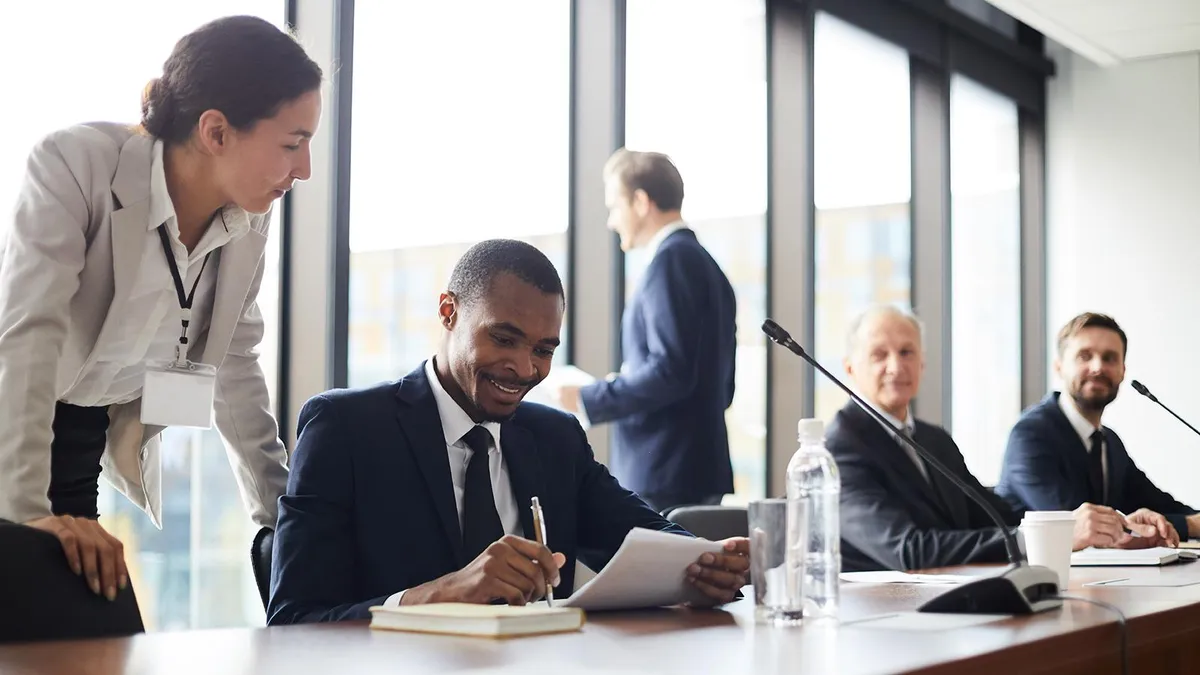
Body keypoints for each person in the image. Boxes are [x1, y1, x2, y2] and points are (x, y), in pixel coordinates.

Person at [0, 16, 322, 603]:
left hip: (76, 440)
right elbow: (28, 335)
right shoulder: (74, 165)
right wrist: (22, 517)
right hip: (11, 432)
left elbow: (234, 363)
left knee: (85, 641)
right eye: (292, 144)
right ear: (216, 131)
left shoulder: (249, 214)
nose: (303, 170)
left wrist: (286, 522)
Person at [267, 240, 749, 624]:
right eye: (503, 338)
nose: (524, 367)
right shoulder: (346, 429)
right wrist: (440, 595)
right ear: (448, 313)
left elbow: (647, 538)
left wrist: (707, 564)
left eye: (543, 349)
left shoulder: (555, 438)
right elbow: (294, 619)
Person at [828, 306, 1176, 573]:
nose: (895, 366)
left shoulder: (934, 440)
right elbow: (908, 550)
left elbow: (997, 514)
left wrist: (1120, 526)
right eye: (879, 354)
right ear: (849, 368)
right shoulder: (841, 447)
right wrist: (1057, 535)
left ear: (922, 364)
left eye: (907, 353)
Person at [552, 149, 737, 513]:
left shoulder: (670, 262)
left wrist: (591, 397)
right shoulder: (706, 265)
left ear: (640, 201)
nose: (611, 221)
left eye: (614, 206)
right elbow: (715, 383)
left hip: (666, 470)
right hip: (689, 466)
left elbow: (671, 371)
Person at [996, 312, 1197, 540]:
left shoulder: (1109, 442)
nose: (1097, 367)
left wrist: (1194, 519)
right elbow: (1078, 522)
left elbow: (1158, 503)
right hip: (1036, 573)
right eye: (1084, 356)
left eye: (1110, 358)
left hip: (1101, 573)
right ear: (1059, 367)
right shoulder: (1030, 435)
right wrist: (1188, 526)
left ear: (1123, 371)